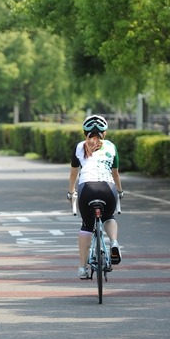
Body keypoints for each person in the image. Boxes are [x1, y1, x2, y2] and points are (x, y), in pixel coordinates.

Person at [67, 114, 124, 279]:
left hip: (86, 188)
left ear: (85, 133)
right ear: (104, 133)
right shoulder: (111, 147)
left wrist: (71, 193)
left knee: (86, 225)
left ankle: (83, 268)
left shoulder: (79, 147)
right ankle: (114, 242)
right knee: (108, 216)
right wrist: (119, 192)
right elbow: (116, 175)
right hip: (108, 188)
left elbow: (73, 175)